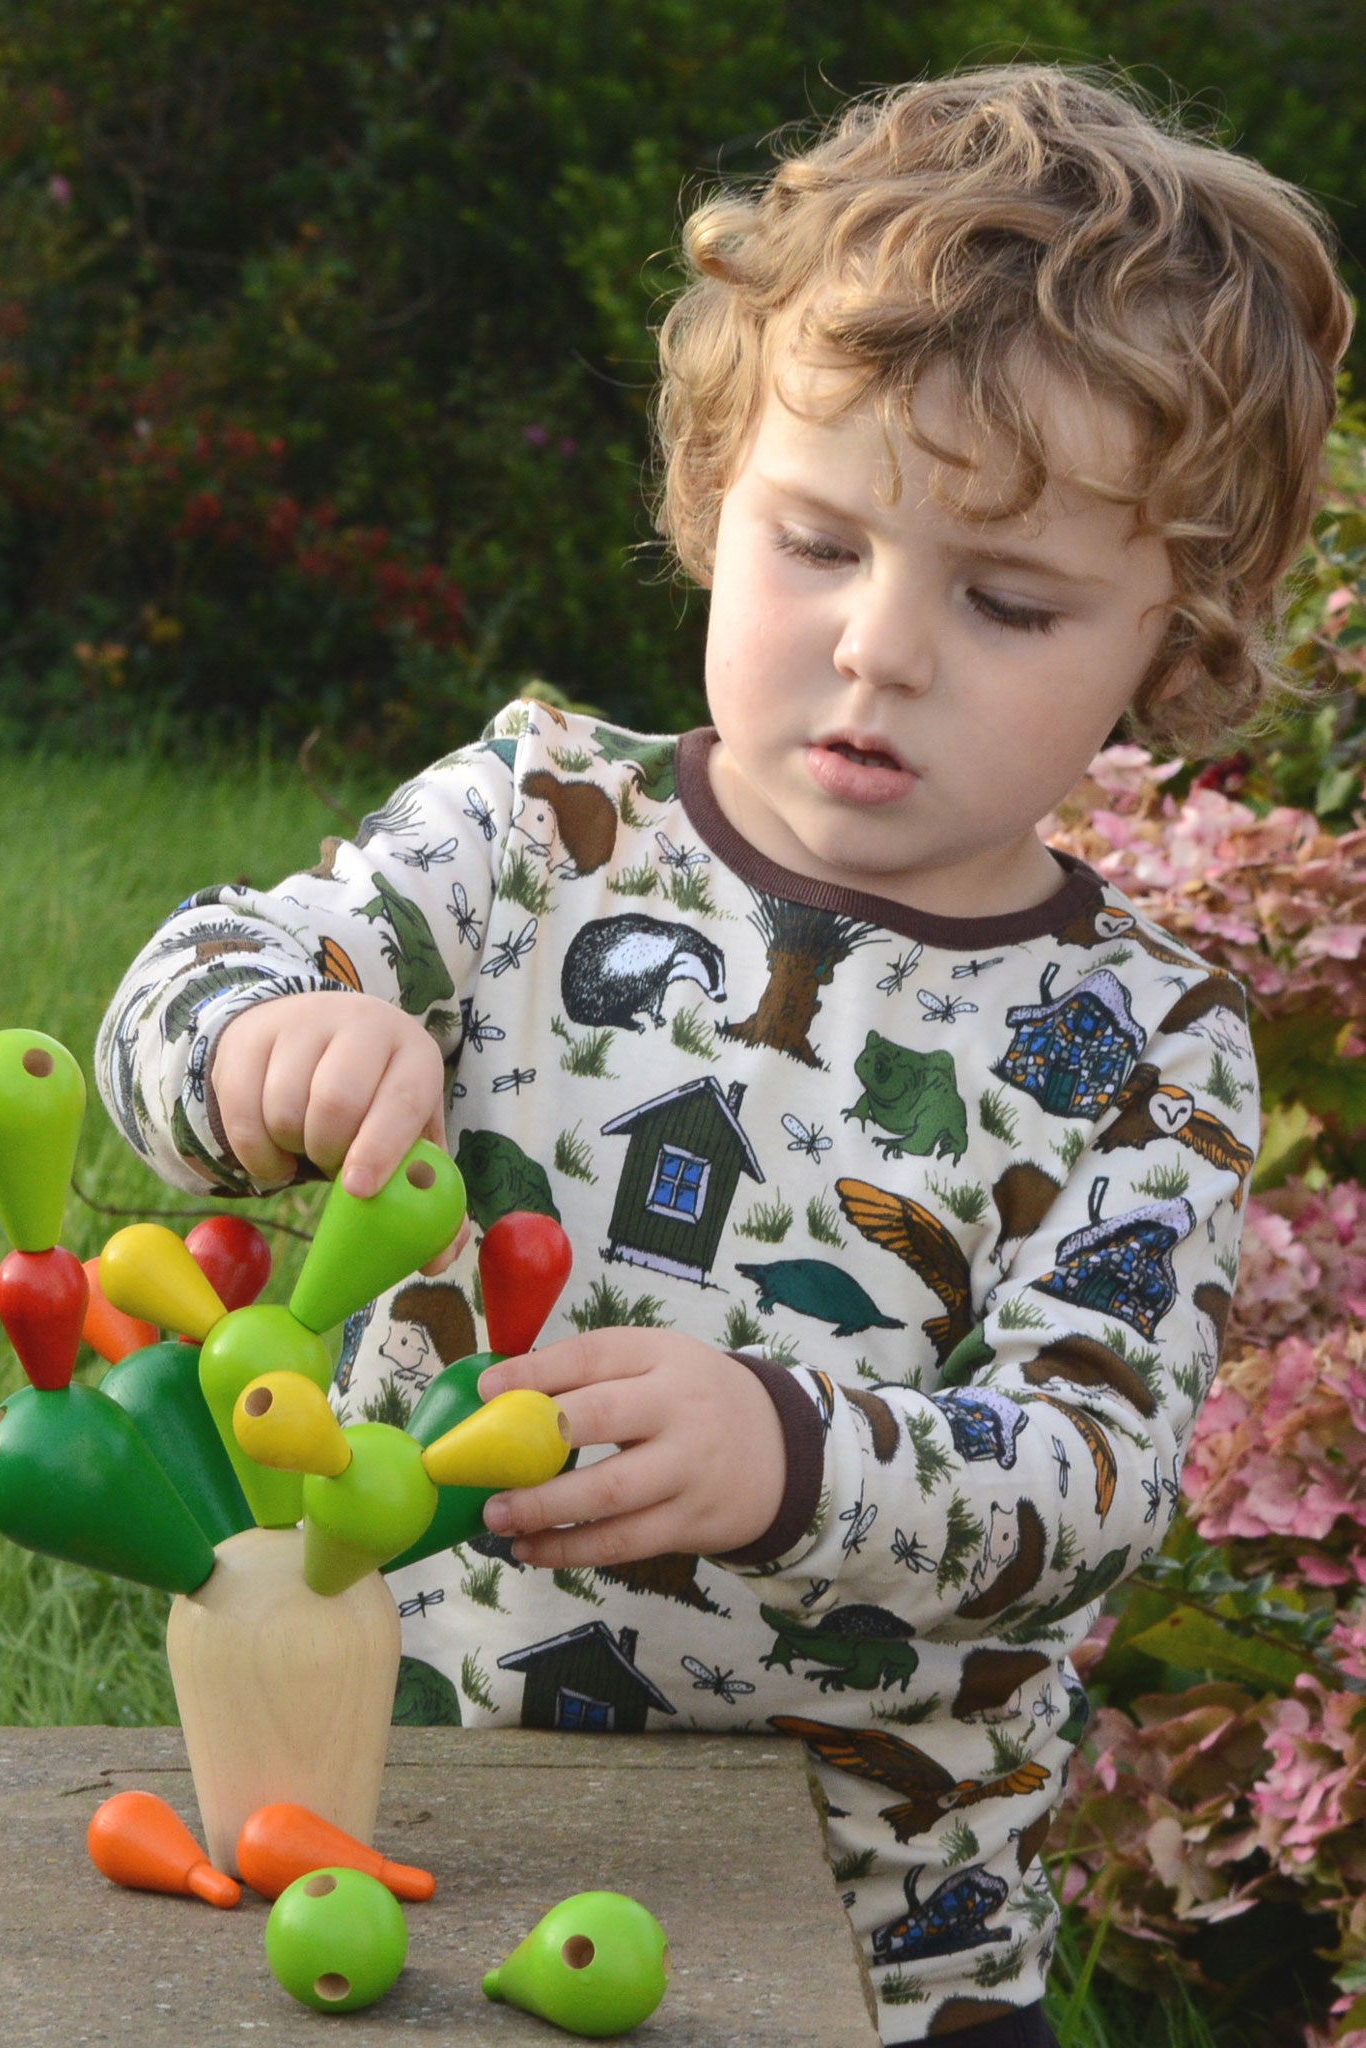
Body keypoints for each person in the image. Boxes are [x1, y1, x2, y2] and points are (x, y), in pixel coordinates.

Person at [96, 65, 1351, 2046]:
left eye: (1007, 599)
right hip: (421, 1849)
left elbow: (1093, 1470)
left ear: (1167, 647)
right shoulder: (527, 833)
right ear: (707, 494)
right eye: (820, 544)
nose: (884, 649)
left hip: (878, 1944)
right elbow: (195, 974)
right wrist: (267, 1036)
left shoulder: (1138, 1049)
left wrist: (788, 1450)